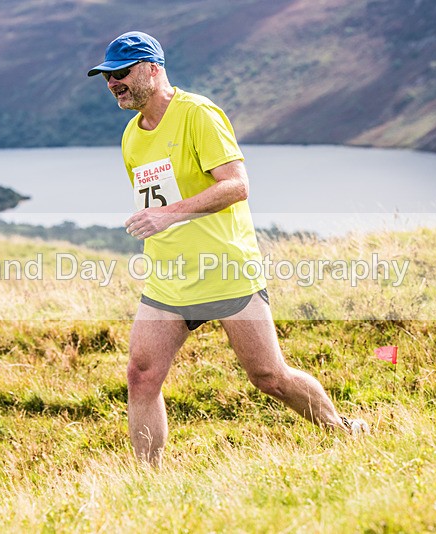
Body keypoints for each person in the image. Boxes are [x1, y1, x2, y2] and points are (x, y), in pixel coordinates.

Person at [88, 31, 368, 466]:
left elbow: (236, 185)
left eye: (121, 73)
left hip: (225, 271)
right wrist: (159, 224)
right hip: (169, 279)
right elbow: (156, 203)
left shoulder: (197, 114)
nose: (112, 83)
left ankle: (344, 430)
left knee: (269, 377)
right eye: (107, 77)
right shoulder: (131, 135)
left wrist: (169, 215)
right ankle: (147, 482)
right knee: (141, 376)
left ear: (153, 69)